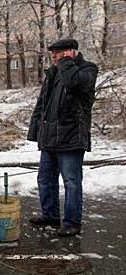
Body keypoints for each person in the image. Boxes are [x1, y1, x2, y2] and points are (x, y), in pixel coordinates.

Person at [27, 38, 98, 236]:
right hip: (50, 137)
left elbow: (74, 83)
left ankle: (72, 222)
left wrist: (67, 63)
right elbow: (42, 105)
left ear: (71, 52)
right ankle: (50, 215)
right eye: (53, 53)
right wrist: (36, 131)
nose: (54, 57)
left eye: (58, 53)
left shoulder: (88, 69)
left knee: (71, 182)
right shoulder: (52, 73)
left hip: (72, 136)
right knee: (45, 179)